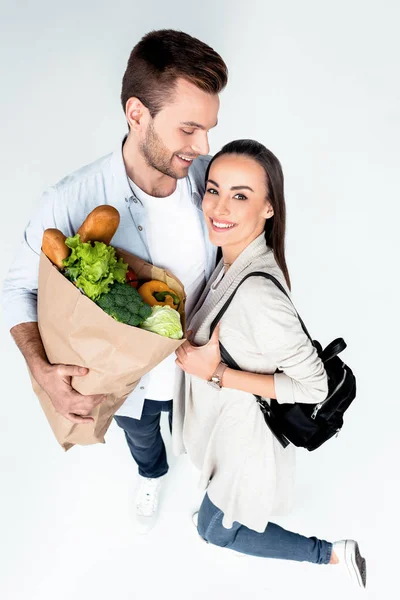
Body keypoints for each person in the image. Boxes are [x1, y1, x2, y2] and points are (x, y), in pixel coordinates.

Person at [2, 29, 228, 533]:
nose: (204, 145)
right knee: (144, 439)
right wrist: (41, 370)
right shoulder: (70, 199)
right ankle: (152, 472)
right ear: (136, 114)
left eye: (210, 129)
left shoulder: (213, 180)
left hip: (203, 373)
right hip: (125, 386)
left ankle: (204, 481)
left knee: (204, 439)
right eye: (189, 129)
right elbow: (18, 288)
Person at [174, 139, 366, 588]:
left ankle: (334, 555)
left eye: (240, 195)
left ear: (268, 208)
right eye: (214, 189)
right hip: (225, 426)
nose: (219, 207)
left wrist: (215, 373)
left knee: (215, 532)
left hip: (245, 443)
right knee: (214, 505)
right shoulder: (232, 257)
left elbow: (314, 386)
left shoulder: (257, 294)